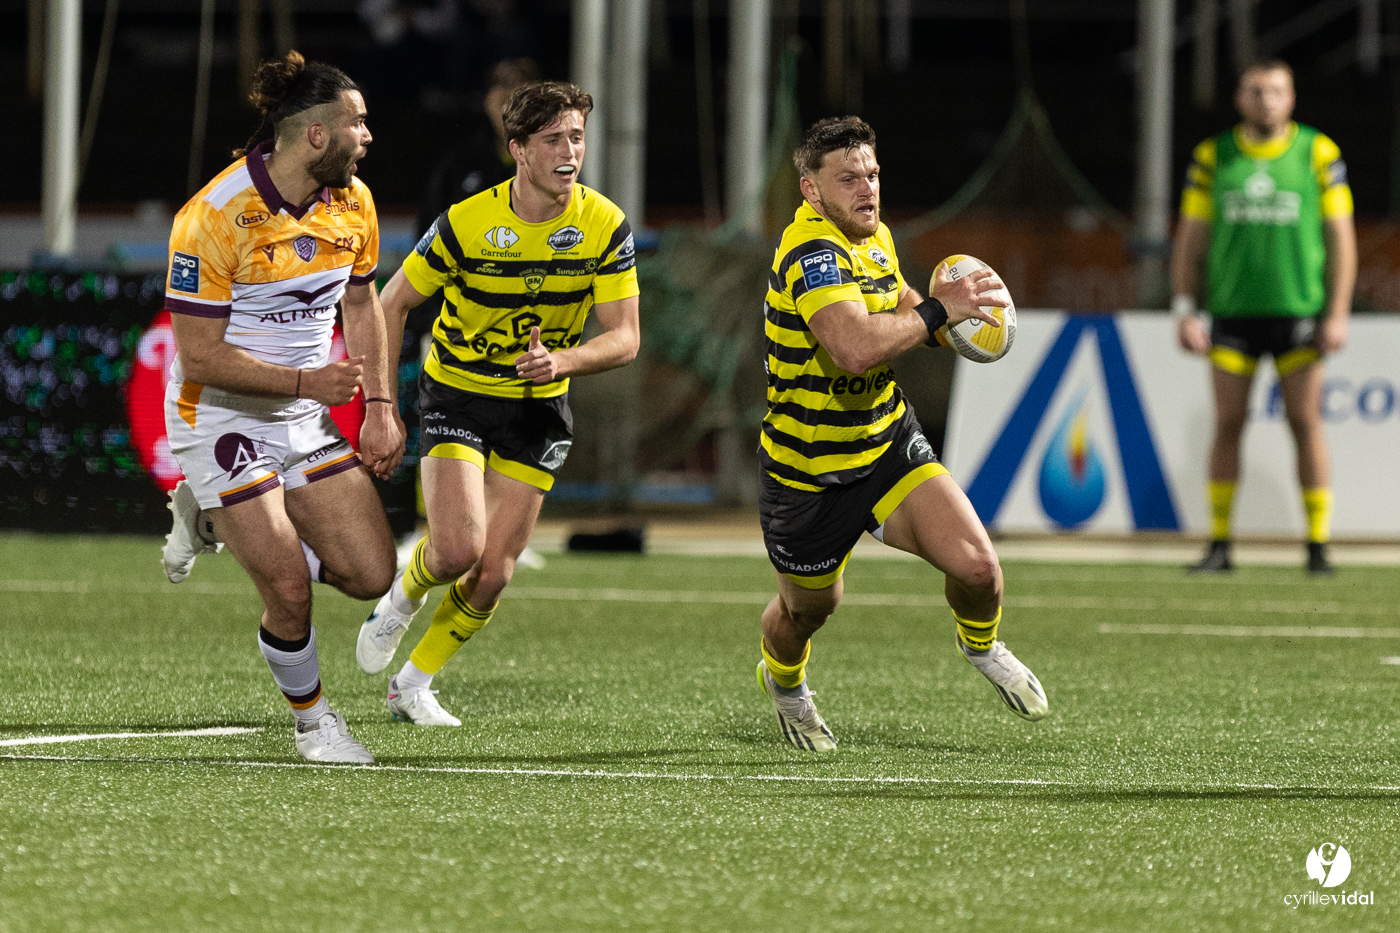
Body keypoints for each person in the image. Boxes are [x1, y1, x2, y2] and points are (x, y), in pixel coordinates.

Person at [754, 116, 1048, 752]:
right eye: (848, 178)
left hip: (885, 440)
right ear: (811, 191)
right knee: (808, 613)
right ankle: (784, 683)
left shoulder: (874, 236)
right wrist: (941, 311)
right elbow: (856, 347)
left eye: (872, 174)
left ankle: (982, 646)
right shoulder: (812, 255)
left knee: (979, 569)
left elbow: (900, 299)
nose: (867, 189)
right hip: (809, 473)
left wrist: (949, 321)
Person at [356, 81, 639, 726]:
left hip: (539, 407)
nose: (570, 152)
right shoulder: (467, 222)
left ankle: (414, 683)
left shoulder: (603, 224)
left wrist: (560, 361)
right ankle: (400, 600)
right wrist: (383, 401)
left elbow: (626, 338)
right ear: (517, 150)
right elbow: (393, 302)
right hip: (459, 390)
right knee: (456, 550)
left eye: (577, 137)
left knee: (495, 572)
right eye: (553, 140)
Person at [160, 52, 403, 763]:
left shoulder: (353, 202)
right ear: (316, 136)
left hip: (301, 417)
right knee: (290, 590)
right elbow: (200, 358)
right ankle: (315, 725)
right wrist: (307, 386)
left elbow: (360, 303)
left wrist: (381, 405)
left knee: (370, 575)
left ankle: (208, 516)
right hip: (220, 414)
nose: (368, 135)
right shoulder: (212, 216)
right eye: (356, 123)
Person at [1171, 59, 1357, 575]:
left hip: (1299, 312)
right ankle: (1219, 544)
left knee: (1304, 422)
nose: (1266, 99)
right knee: (1229, 424)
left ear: (1292, 99)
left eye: (1276, 90)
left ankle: (1317, 545)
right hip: (1232, 313)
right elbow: (1191, 238)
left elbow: (1341, 237)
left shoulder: (1319, 153)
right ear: (1239, 98)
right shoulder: (1213, 156)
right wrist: (1186, 308)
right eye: (1256, 90)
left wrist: (1337, 312)